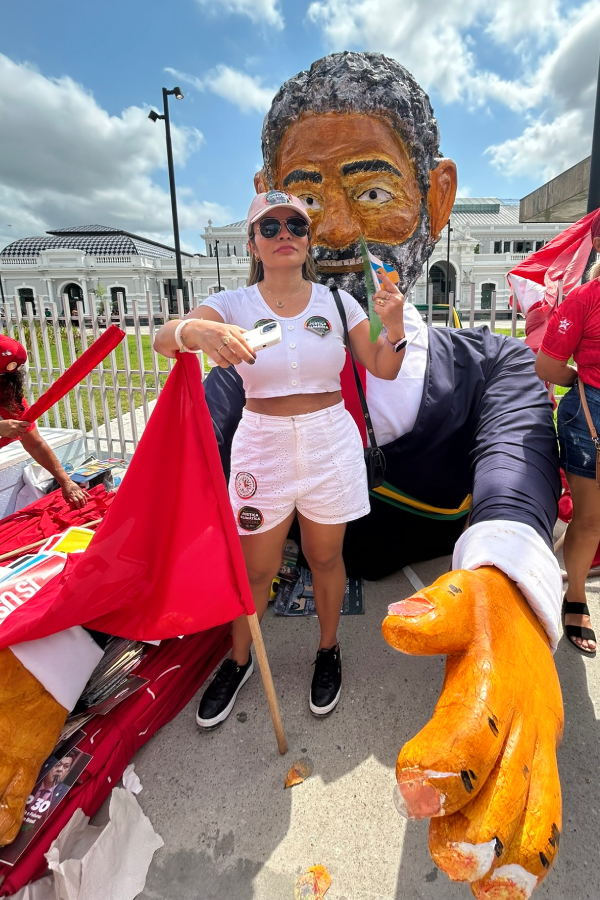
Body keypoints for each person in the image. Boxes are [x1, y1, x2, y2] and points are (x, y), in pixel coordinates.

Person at [154, 189, 406, 722]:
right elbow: (163, 340)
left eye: (295, 224)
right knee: (256, 569)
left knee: (325, 557)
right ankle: (240, 659)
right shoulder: (232, 305)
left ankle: (328, 649)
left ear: (308, 239)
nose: (284, 233)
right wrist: (195, 329)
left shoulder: (339, 302)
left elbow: (382, 368)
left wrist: (397, 325)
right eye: (270, 227)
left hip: (329, 441)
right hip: (262, 444)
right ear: (254, 243)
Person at [535, 217, 600, 657]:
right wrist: (583, 378)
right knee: (591, 519)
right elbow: (547, 366)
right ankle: (575, 595)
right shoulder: (584, 298)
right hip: (592, 410)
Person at [0, 335, 87, 509]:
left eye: (8, 378)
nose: (6, 384)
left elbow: (35, 444)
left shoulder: (6, 392)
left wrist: (65, 481)